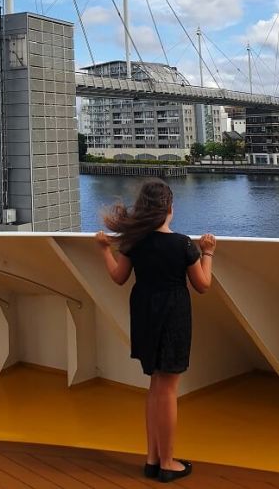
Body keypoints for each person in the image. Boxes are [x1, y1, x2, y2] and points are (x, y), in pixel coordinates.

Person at [95, 179, 215, 484]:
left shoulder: (134, 242)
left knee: (155, 387)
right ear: (169, 209)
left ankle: (151, 460)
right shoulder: (184, 244)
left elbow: (119, 277)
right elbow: (203, 285)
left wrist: (103, 249)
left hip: (144, 314)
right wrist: (209, 252)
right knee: (168, 390)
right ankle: (166, 463)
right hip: (173, 315)